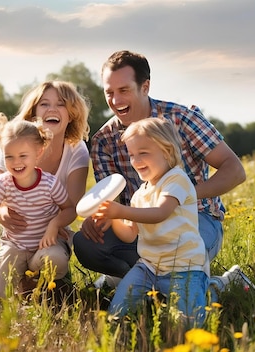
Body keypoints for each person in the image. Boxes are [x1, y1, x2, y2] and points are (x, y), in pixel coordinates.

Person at [73, 50, 247, 295]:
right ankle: (142, 284)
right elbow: (119, 205)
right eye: (109, 92)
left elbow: (235, 170)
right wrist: (101, 217)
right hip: (142, 225)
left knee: (175, 262)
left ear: (145, 87)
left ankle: (226, 283)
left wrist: (180, 197)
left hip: (196, 219)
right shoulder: (104, 140)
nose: (115, 100)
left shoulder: (180, 119)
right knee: (86, 243)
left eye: (124, 90)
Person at [93, 117, 208, 323]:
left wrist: (120, 211)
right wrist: (113, 220)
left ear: (167, 151)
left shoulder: (176, 179)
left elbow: (160, 213)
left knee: (189, 324)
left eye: (143, 153)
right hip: (148, 267)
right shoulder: (140, 193)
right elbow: (129, 234)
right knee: (115, 316)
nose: (136, 161)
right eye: (132, 155)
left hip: (184, 268)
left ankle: (216, 287)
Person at [0, 81, 91, 293]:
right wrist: (1, 213)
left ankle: (38, 282)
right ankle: (20, 277)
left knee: (54, 260)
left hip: (52, 236)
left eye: (61, 104)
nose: (52, 109)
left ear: (71, 114)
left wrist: (54, 224)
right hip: (17, 237)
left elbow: (73, 206)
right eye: (44, 104)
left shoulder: (77, 150)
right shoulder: (12, 145)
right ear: (34, 113)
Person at [0, 113, 75, 298]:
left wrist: (54, 225)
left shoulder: (49, 183)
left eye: (23, 156)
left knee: (55, 259)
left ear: (38, 152)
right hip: (15, 246)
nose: (16, 162)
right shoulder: (3, 182)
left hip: (45, 246)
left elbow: (70, 209)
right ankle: (15, 284)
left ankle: (39, 288)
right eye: (9, 156)